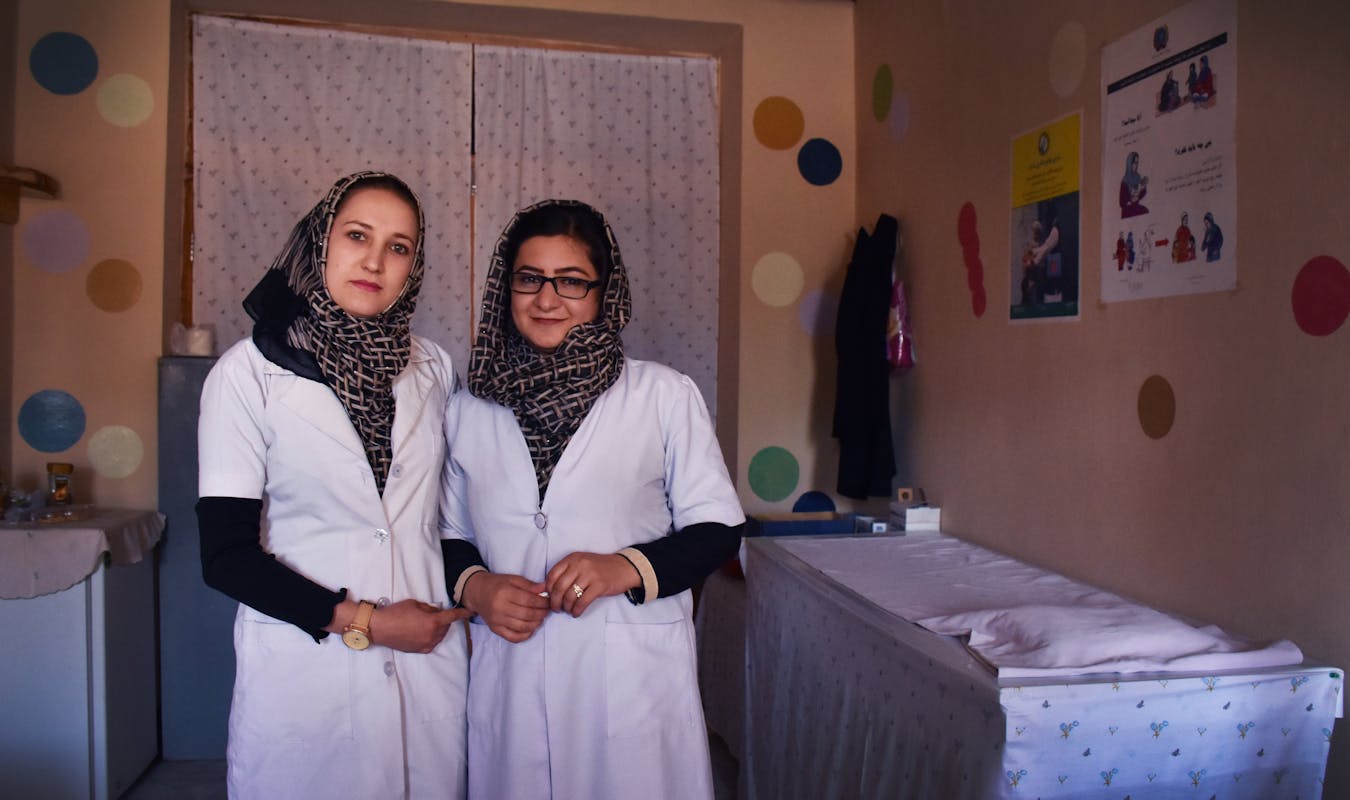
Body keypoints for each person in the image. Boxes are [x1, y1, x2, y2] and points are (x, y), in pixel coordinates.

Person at [439, 199, 745, 799]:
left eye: (572, 281)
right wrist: (478, 588)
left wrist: (621, 568)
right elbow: (451, 535)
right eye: (529, 278)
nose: (547, 299)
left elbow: (718, 531)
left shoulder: (663, 396)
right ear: (506, 287)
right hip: (512, 676)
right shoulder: (469, 407)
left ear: (605, 292)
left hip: (629, 676)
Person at [196, 172, 470, 799]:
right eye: (357, 236)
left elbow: (449, 517)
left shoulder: (433, 369)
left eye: (398, 247)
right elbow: (225, 557)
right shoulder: (248, 374)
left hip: (425, 672)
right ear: (320, 243)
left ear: (414, 267)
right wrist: (369, 623)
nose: (375, 261)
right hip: (307, 673)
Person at [1119, 151, 1149, 218]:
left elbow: (1141, 194)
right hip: (1127, 209)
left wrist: (1143, 188)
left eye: (1137, 163)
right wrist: (1130, 200)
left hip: (1135, 206)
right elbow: (1121, 203)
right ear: (1129, 163)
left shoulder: (1138, 177)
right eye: (1134, 163)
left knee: (1146, 211)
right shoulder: (1125, 180)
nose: (1136, 165)